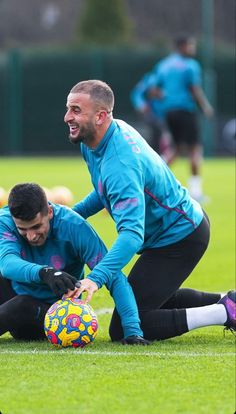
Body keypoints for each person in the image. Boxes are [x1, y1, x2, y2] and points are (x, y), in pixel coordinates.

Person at [64, 79, 235, 342]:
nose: (67, 117)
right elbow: (104, 190)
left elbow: (131, 234)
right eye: (68, 109)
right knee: (149, 297)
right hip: (176, 228)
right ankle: (229, 303)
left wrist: (95, 279)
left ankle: (223, 312)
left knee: (124, 327)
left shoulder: (120, 162)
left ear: (100, 116)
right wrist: (70, 217)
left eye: (76, 110)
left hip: (181, 236)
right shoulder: (97, 139)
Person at [0, 183, 148, 345]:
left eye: (36, 227)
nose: (31, 236)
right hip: (12, 292)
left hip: (56, 315)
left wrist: (133, 331)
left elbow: (115, 277)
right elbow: (7, 264)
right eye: (23, 229)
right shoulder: (6, 221)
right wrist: (45, 273)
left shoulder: (75, 227)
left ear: (49, 212)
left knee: (23, 305)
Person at [147, 34, 214, 202]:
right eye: (191, 45)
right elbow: (194, 88)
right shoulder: (190, 65)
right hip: (185, 110)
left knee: (176, 149)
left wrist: (167, 98)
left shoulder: (164, 65)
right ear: (182, 46)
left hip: (169, 112)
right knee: (195, 149)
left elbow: (153, 91)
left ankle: (150, 181)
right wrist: (205, 106)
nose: (193, 49)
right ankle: (196, 192)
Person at [130, 71, 168, 155]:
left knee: (158, 136)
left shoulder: (163, 88)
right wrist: (141, 105)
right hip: (148, 117)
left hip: (158, 117)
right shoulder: (148, 81)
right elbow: (136, 95)